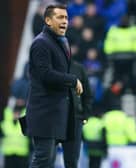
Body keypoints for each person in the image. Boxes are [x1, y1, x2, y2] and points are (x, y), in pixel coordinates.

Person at [25, 3, 83, 168]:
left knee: (49, 161)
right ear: (48, 21)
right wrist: (72, 80)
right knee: (43, 159)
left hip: (58, 113)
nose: (64, 21)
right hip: (44, 113)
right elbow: (45, 75)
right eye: (60, 17)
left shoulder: (61, 42)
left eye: (66, 17)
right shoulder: (41, 43)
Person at [62, 60, 93, 168]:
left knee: (72, 161)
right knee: (47, 159)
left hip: (75, 119)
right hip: (54, 118)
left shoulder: (79, 68)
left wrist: (84, 116)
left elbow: (87, 94)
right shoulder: (50, 67)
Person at [1, 99, 30, 168]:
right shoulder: (5, 118)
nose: (16, 114)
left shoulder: (25, 118)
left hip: (22, 153)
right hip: (8, 153)